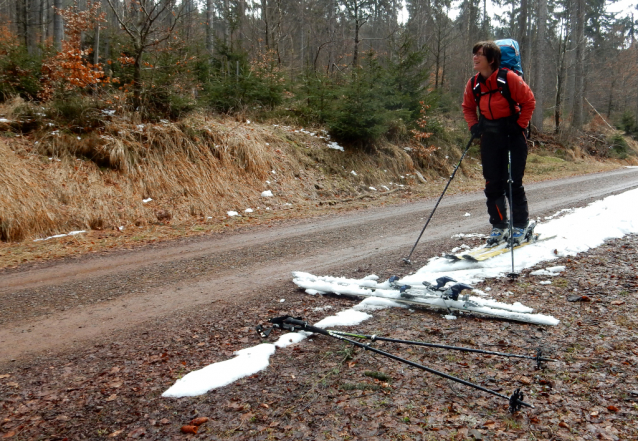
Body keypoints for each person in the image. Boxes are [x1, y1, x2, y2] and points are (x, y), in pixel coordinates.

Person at [461, 41, 536, 245]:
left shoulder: (509, 78)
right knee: (492, 183)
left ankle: (520, 225)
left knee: (512, 182)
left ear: (492, 59)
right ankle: (499, 225)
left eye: (480, 55)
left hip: (513, 135)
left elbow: (529, 101)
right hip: (490, 137)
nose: (475, 58)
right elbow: (467, 107)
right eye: (474, 54)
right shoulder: (474, 83)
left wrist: (519, 125)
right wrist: (473, 125)